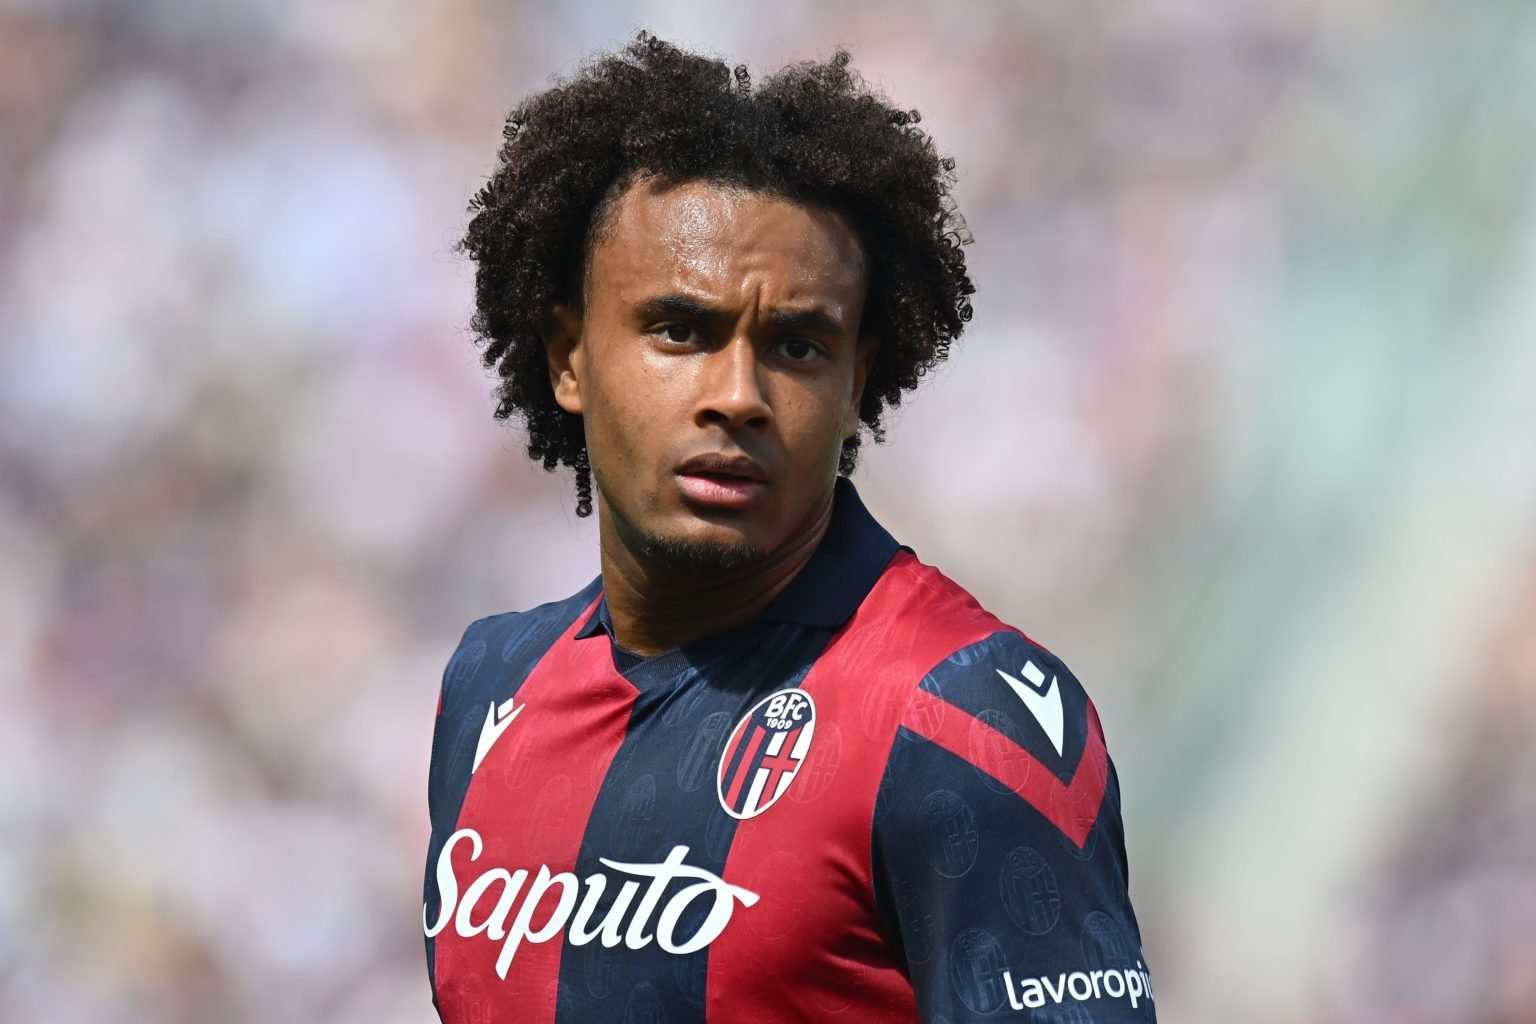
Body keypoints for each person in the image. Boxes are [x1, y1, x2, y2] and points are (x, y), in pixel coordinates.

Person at [423, 32, 1156, 1023]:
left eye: (797, 345)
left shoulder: (957, 717)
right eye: (680, 329)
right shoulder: (489, 685)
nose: (740, 396)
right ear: (567, 358)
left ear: (856, 379)